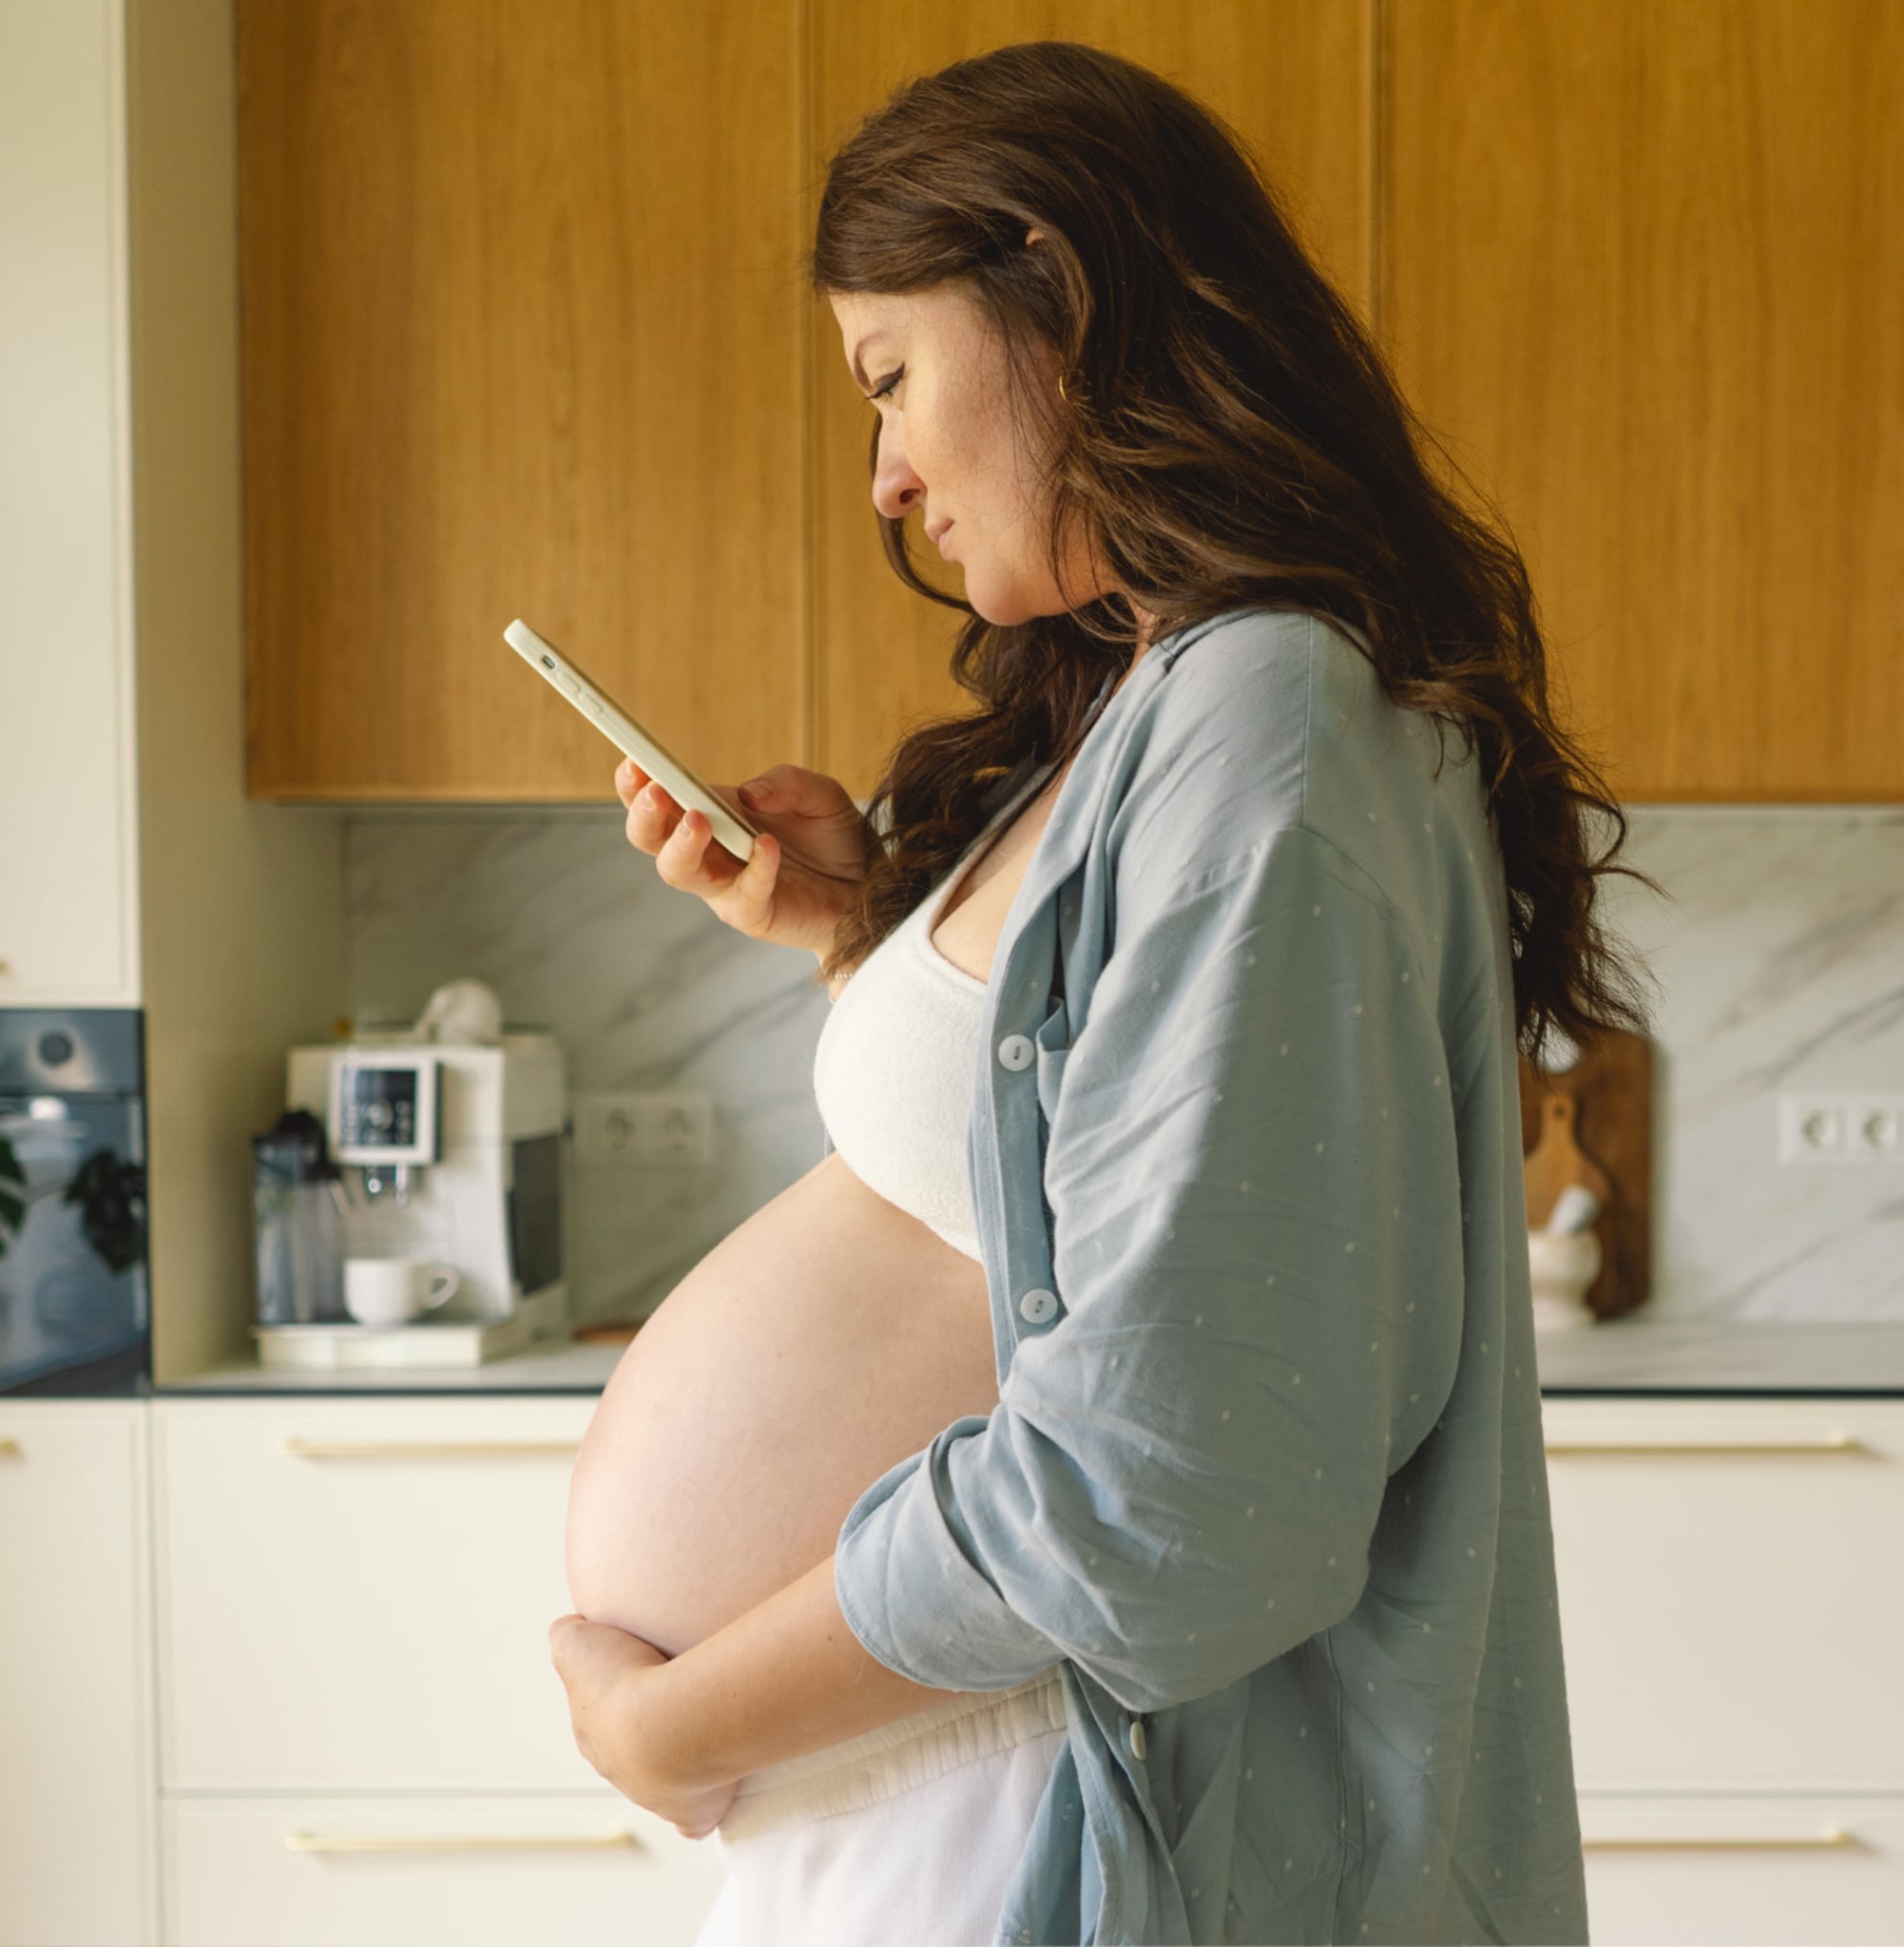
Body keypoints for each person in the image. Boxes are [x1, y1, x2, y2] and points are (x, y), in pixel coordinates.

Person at [548, 38, 1667, 1946]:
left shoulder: (1264, 719)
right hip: (943, 1786)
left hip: (1034, 1804)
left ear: (1061, 304)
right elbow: (1067, 1195)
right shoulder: (1162, 694)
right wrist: (862, 941)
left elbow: (1174, 1486)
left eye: (892, 379)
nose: (886, 477)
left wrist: (668, 1721)